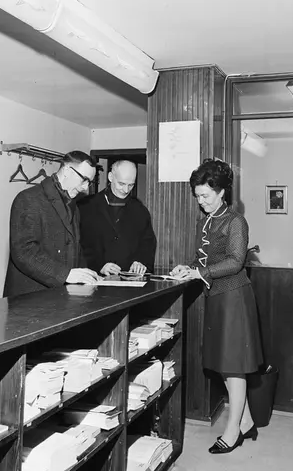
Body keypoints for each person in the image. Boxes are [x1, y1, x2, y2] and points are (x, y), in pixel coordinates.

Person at [171, 158, 263, 455]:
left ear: (222, 192)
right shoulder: (206, 221)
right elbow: (204, 259)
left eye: (206, 196)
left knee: (233, 367)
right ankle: (246, 421)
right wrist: (188, 268)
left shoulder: (236, 221)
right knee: (225, 365)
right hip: (217, 297)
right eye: (197, 196)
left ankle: (233, 431)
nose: (201, 202)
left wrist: (200, 273)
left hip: (234, 298)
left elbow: (236, 262)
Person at [4, 151, 118, 297]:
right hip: (30, 298)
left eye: (89, 182)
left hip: (59, 297)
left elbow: (75, 250)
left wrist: (90, 275)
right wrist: (66, 275)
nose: (85, 188)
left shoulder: (73, 205)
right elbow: (24, 253)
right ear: (67, 171)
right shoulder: (28, 199)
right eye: (83, 179)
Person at [79, 160, 156, 276]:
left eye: (131, 185)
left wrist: (141, 262)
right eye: (121, 184)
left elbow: (148, 244)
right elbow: (77, 246)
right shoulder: (86, 207)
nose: (126, 190)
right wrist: (98, 266)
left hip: (129, 280)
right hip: (94, 278)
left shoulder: (140, 210)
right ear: (110, 177)